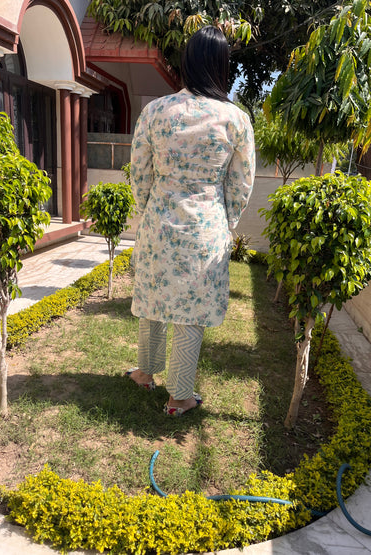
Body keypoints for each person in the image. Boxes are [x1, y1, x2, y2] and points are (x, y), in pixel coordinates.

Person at [126, 25, 255, 416]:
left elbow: (140, 173)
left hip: (158, 223)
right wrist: (225, 221)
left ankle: (146, 373)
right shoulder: (235, 119)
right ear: (221, 66)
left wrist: (148, 209)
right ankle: (180, 395)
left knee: (154, 299)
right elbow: (241, 183)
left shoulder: (155, 111)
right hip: (205, 228)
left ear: (186, 63)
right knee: (190, 312)